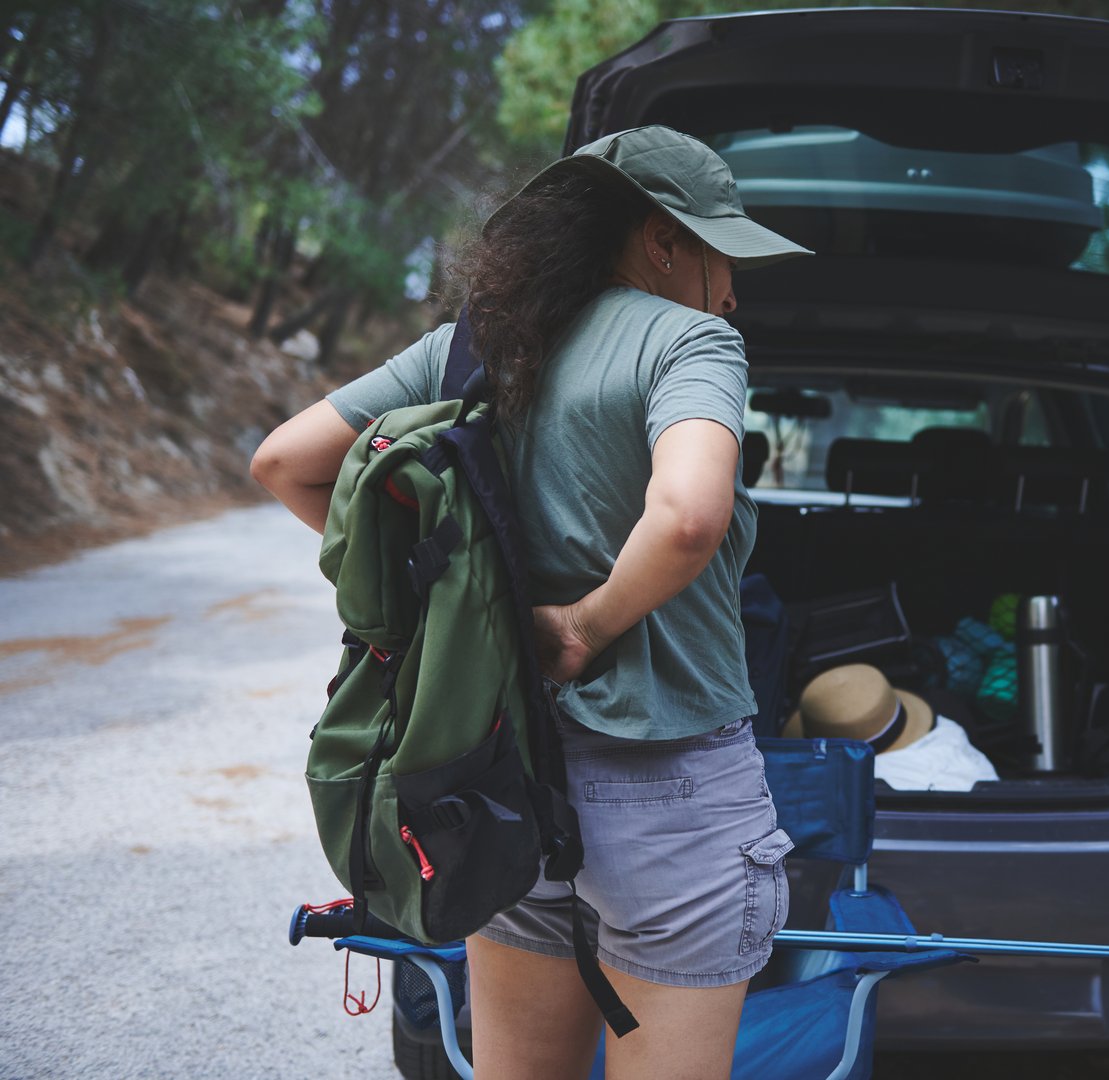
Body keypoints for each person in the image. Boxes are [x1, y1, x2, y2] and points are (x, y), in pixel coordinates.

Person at [251, 125, 812, 1080]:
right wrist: (582, 629)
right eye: (722, 252)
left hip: (502, 779)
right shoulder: (691, 341)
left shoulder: (472, 350)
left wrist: (463, 617)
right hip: (669, 799)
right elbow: (686, 516)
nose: (732, 286)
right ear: (661, 240)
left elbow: (285, 463)